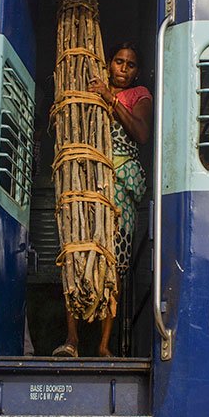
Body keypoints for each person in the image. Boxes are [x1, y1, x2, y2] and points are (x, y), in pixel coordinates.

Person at [55, 42, 151, 358]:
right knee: (77, 250)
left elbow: (141, 134)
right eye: (118, 61)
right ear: (108, 63)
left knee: (114, 264)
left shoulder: (139, 96)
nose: (123, 68)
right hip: (89, 180)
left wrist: (112, 101)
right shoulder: (92, 89)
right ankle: (72, 340)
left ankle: (104, 345)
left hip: (121, 185)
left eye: (131, 64)